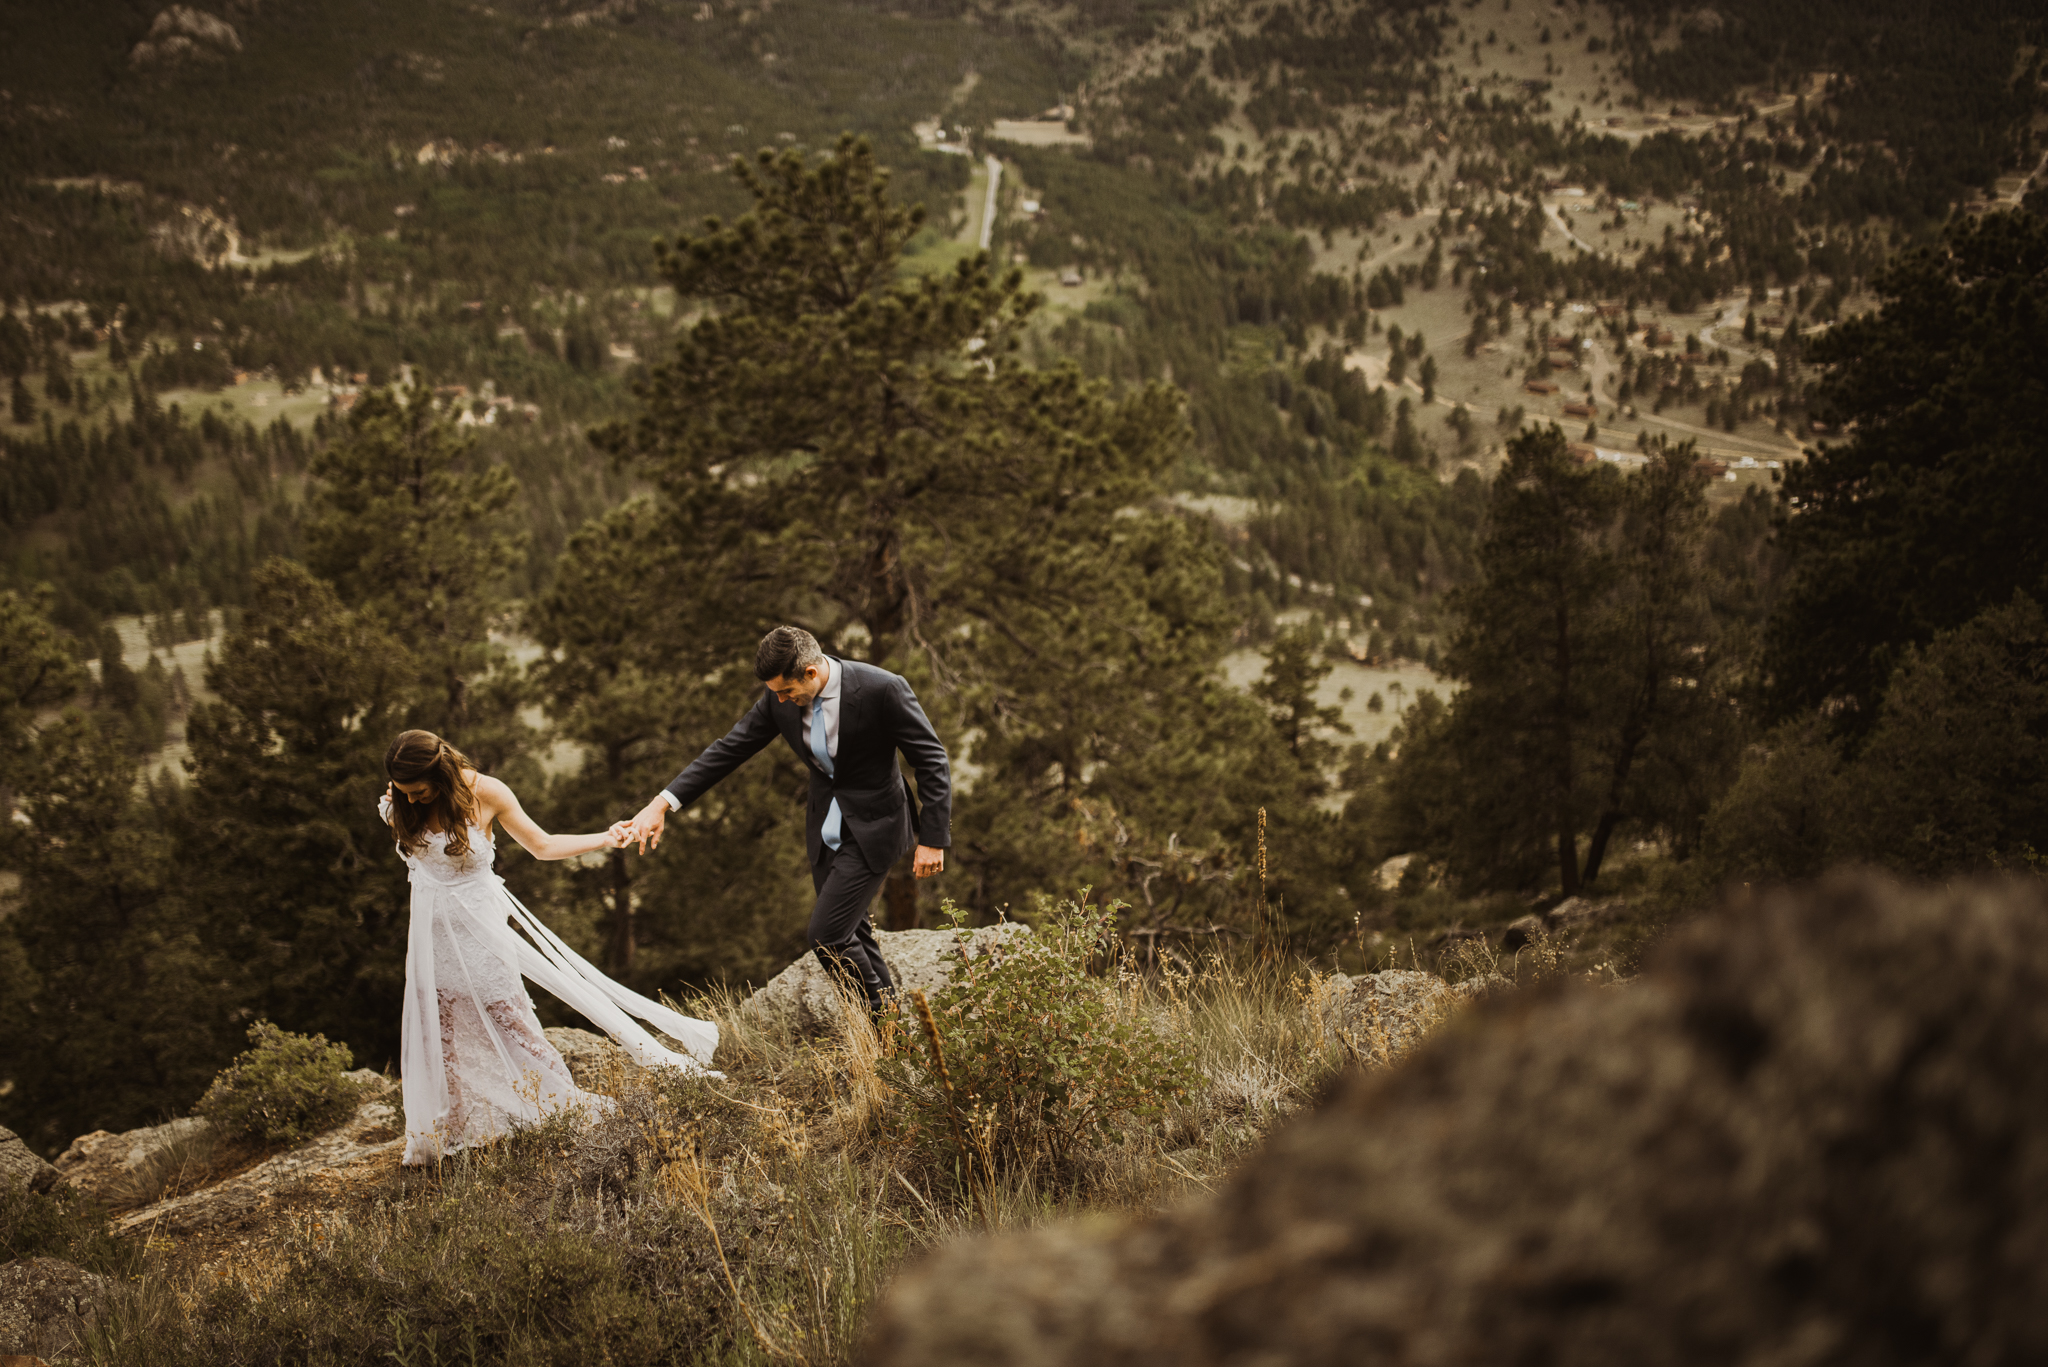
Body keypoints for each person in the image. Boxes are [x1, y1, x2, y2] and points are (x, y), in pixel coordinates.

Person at [381, 729, 717, 1165]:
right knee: (442, 1029)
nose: (412, 801)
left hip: (481, 930)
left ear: (440, 772)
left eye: (419, 791)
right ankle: (453, 1124)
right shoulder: (400, 803)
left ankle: (555, 1104)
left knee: (509, 1016)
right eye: (404, 793)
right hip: (433, 937)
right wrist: (402, 799)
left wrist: (604, 838)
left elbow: (541, 846)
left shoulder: (486, 793)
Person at [624, 626, 952, 1022]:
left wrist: (933, 838)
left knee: (827, 935)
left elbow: (931, 759)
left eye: (785, 691)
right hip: (824, 829)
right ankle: (888, 1033)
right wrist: (662, 804)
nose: (779, 700)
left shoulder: (883, 689)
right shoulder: (778, 699)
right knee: (853, 929)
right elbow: (729, 748)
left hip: (876, 826)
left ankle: (885, 1026)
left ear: (811, 673)